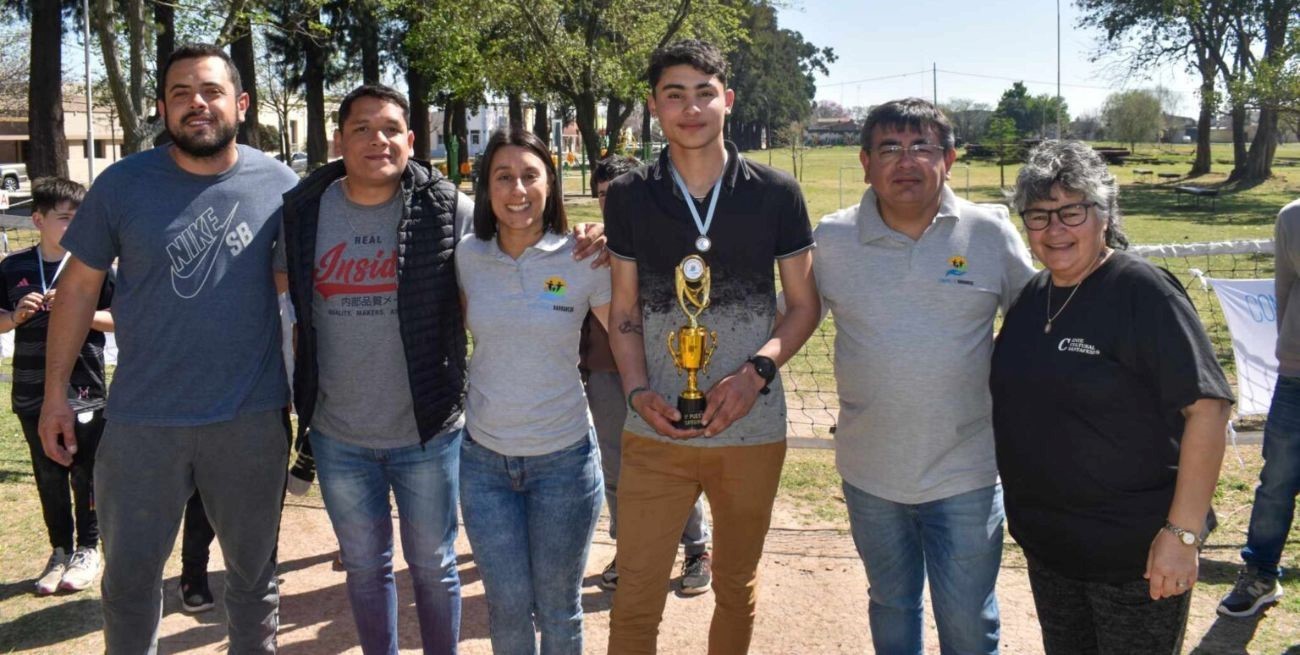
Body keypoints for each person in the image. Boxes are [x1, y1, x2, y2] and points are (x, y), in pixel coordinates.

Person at [39, 44, 297, 653]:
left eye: (209, 90)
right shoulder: (124, 184)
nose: (196, 104)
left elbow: (296, 288)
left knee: (254, 582)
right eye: (179, 93)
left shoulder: (279, 183)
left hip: (251, 418)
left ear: (240, 103)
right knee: (128, 584)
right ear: (162, 107)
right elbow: (77, 288)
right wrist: (55, 394)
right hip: (141, 422)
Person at [604, 40, 821, 654]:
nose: (690, 107)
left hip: (751, 430)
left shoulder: (777, 192)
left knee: (734, 584)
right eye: (674, 94)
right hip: (654, 430)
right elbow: (622, 313)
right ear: (654, 106)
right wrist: (638, 391)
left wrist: (756, 372)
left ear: (727, 99)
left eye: (704, 92)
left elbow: (805, 306)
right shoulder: (627, 195)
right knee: (637, 593)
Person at [811, 97, 1035, 655]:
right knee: (891, 605)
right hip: (870, 474)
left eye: (921, 148)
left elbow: (1040, 320)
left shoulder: (989, 232)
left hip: (967, 474)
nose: (904, 161)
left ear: (950, 159)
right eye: (889, 147)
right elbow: (793, 319)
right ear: (864, 161)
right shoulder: (832, 239)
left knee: (966, 621)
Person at [991, 140, 1233, 654]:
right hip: (1052, 550)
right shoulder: (1034, 299)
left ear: (1104, 214)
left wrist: (1182, 535)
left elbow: (1208, 409)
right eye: (1039, 215)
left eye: (1072, 211)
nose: (1055, 230)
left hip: (1136, 557)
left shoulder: (1142, 291)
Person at [278, 83, 474, 655]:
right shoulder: (302, 212)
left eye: (390, 128)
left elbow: (506, 265)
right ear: (339, 140)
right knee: (365, 569)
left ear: (412, 140)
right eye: (360, 128)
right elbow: (283, 301)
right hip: (339, 435)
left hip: (429, 430)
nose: (377, 140)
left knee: (435, 567)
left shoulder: (449, 208)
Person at [456, 128, 610, 654]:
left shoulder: (585, 256)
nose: (517, 189)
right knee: (506, 608)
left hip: (563, 463)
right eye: (503, 177)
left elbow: (630, 337)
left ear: (552, 184)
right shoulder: (467, 257)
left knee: (559, 609)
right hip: (483, 464)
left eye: (530, 175)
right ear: (486, 188)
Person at [586, 154, 712, 595]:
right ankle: (631, 548)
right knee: (617, 467)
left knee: (674, 462)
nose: (613, 203)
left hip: (663, 372)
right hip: (606, 375)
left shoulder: (665, 241)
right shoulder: (588, 249)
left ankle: (696, 548)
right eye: (604, 196)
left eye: (621, 192)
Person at [1, 177, 113, 596]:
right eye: (65, 219)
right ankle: (59, 550)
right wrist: (16, 316)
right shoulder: (13, 267)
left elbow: (120, 318)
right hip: (31, 389)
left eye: (80, 219)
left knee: (85, 472)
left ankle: (88, 549)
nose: (75, 226)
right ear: (37, 220)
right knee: (48, 475)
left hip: (84, 387)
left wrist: (77, 309)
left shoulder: (95, 266)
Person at [1219, 197, 1300, 617]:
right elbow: (1284, 291)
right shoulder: (1292, 217)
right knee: (1276, 484)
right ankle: (1260, 574)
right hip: (1297, 379)